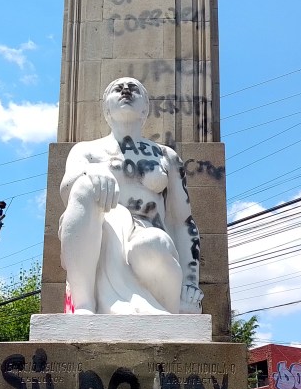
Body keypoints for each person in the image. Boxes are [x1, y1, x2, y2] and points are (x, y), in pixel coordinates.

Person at [58, 77, 202, 315]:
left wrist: (190, 283)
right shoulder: (86, 151)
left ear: (145, 108)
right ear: (106, 108)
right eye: (117, 88)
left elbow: (182, 222)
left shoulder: (166, 156)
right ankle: (84, 306)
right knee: (83, 186)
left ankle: (161, 308)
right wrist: (91, 172)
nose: (125, 90)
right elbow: (67, 191)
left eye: (134, 89)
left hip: (150, 246)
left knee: (153, 243)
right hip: (97, 238)